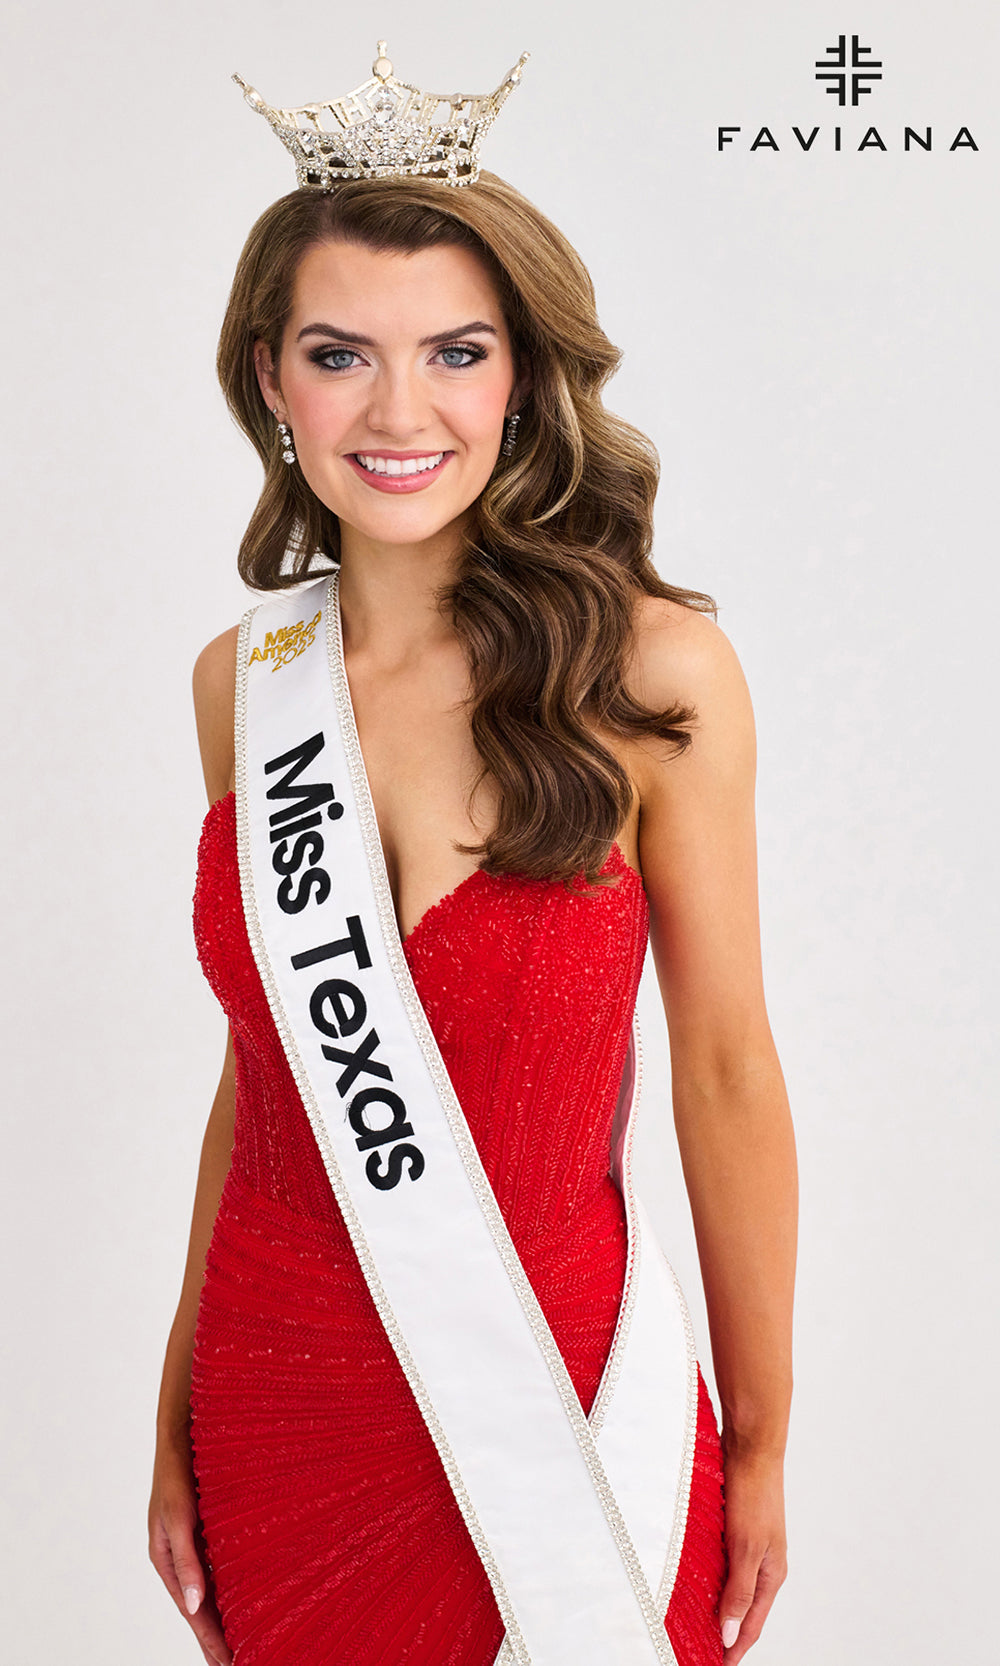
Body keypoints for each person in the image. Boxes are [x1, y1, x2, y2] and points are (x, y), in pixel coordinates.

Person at [148, 46, 797, 1666]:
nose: (400, 411)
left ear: (521, 375)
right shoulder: (250, 684)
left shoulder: (651, 678)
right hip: (279, 1383)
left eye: (454, 351)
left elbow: (723, 1069)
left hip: (569, 1395)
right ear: (269, 377)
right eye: (338, 355)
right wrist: (176, 1394)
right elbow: (267, 1066)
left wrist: (768, 1435)